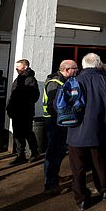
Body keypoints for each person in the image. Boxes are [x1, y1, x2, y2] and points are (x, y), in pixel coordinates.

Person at [67, 53, 106, 210]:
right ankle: (104, 190)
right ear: (98, 64)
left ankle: (81, 199)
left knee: (77, 169)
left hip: (75, 133)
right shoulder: (105, 81)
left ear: (83, 65)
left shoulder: (73, 82)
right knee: (101, 164)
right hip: (100, 132)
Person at [42, 59, 78, 195]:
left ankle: (54, 177)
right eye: (75, 68)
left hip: (56, 122)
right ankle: (51, 185)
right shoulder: (56, 83)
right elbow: (54, 105)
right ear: (67, 69)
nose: (77, 70)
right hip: (55, 123)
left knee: (57, 152)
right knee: (54, 153)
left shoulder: (60, 81)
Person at [7, 59, 41, 165]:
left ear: (25, 67)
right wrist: (10, 108)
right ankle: (20, 155)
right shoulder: (18, 79)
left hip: (25, 112)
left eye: (19, 66)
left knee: (27, 132)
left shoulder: (31, 79)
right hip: (15, 112)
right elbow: (13, 95)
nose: (16, 68)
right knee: (17, 134)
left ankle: (34, 152)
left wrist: (23, 104)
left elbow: (34, 96)